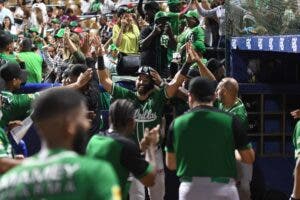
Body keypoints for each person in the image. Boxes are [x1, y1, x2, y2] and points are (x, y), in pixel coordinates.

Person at [97, 40, 191, 200]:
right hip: (135, 153)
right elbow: (104, 81)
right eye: (138, 78)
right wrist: (100, 57)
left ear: (152, 82)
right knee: (136, 197)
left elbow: (176, 83)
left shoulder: (159, 96)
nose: (140, 81)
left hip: (154, 152)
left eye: (144, 79)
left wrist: (187, 63)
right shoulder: (127, 94)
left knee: (157, 197)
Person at [0, 88, 121, 199]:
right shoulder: (97, 173)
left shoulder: (8, 181)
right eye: (82, 119)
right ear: (69, 126)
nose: (87, 125)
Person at [165, 77, 255, 200]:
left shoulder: (177, 124)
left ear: (190, 97)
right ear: (213, 97)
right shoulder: (230, 120)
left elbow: (171, 164)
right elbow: (248, 158)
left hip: (191, 189)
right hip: (223, 188)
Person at [86, 99, 158, 199]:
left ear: (110, 119)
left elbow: (119, 158)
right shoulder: (125, 146)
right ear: (131, 122)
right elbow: (150, 180)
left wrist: (141, 149)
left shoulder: (94, 140)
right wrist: (151, 146)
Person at [216, 77, 253, 200]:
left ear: (226, 91)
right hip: (226, 157)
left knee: (242, 192)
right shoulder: (223, 103)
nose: (216, 91)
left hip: (239, 158)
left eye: (219, 88)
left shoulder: (238, 115)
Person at [140, 11, 177, 78]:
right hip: (149, 67)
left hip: (162, 68)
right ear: (156, 22)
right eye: (162, 21)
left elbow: (174, 47)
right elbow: (141, 47)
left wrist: (171, 34)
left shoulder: (167, 33)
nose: (164, 23)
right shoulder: (147, 30)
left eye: (166, 21)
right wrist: (153, 33)